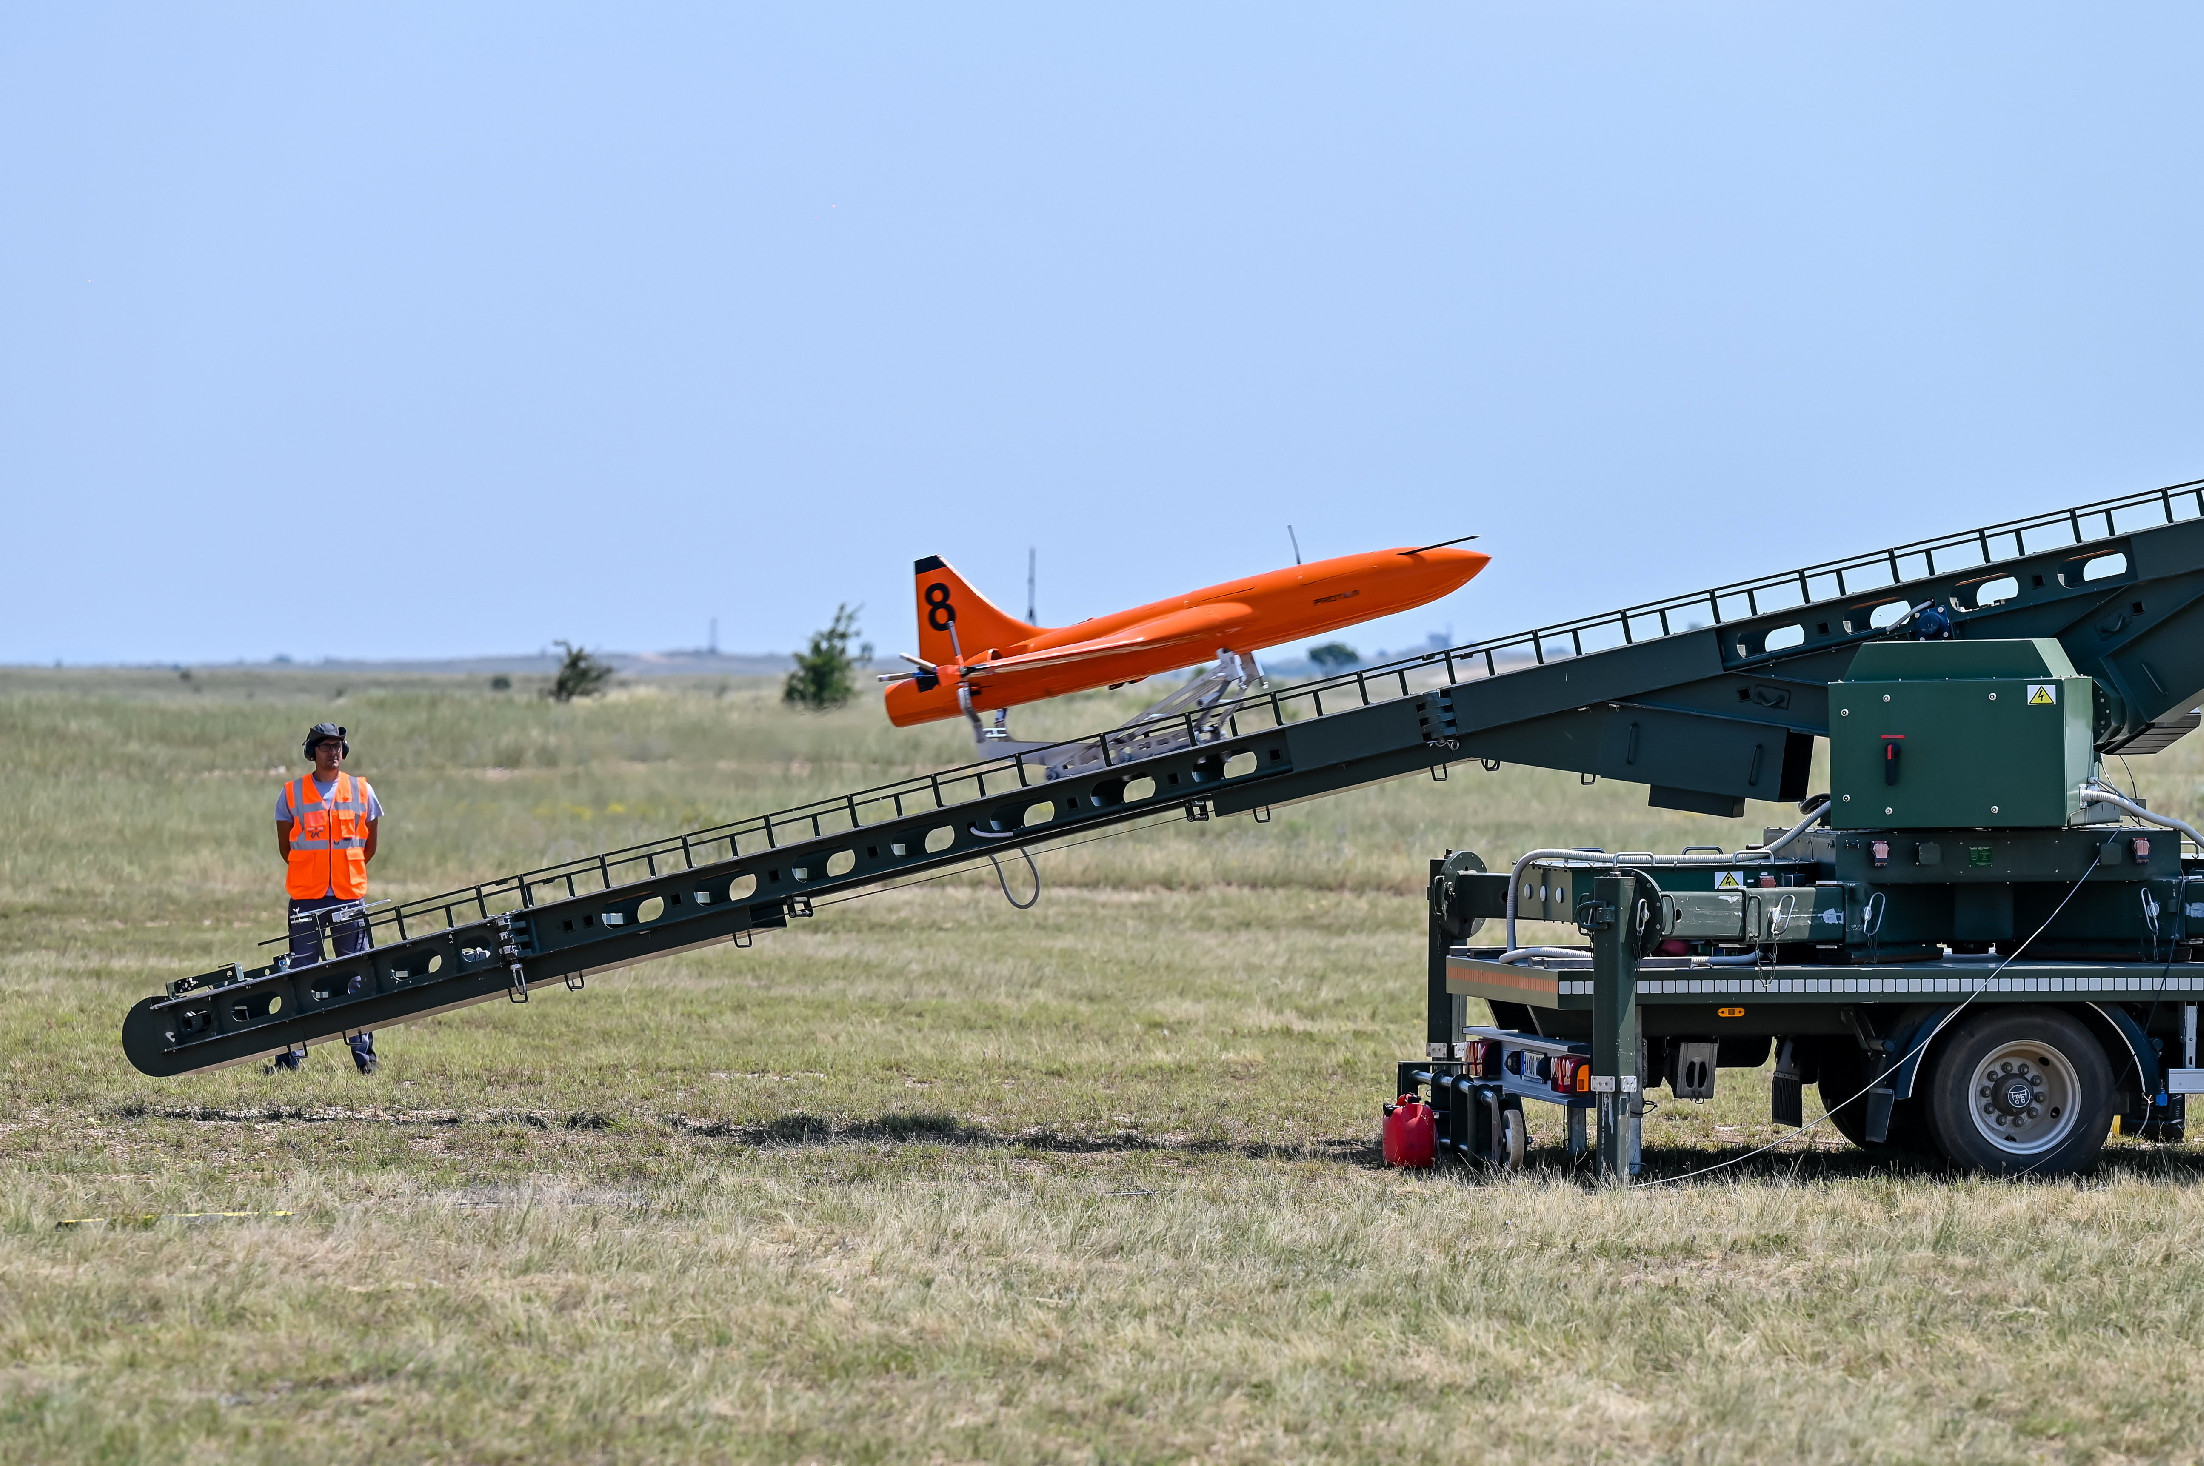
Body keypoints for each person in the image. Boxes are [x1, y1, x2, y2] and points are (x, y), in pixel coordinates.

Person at [270, 723, 384, 1074]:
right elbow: (286, 847)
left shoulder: (362, 790)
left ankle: (365, 1059)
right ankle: (291, 1059)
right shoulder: (291, 794)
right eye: (324, 746)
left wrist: (342, 875)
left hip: (348, 897)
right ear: (311, 752)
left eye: (337, 746)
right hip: (307, 898)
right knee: (302, 975)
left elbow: (369, 844)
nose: (332, 752)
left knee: (357, 974)